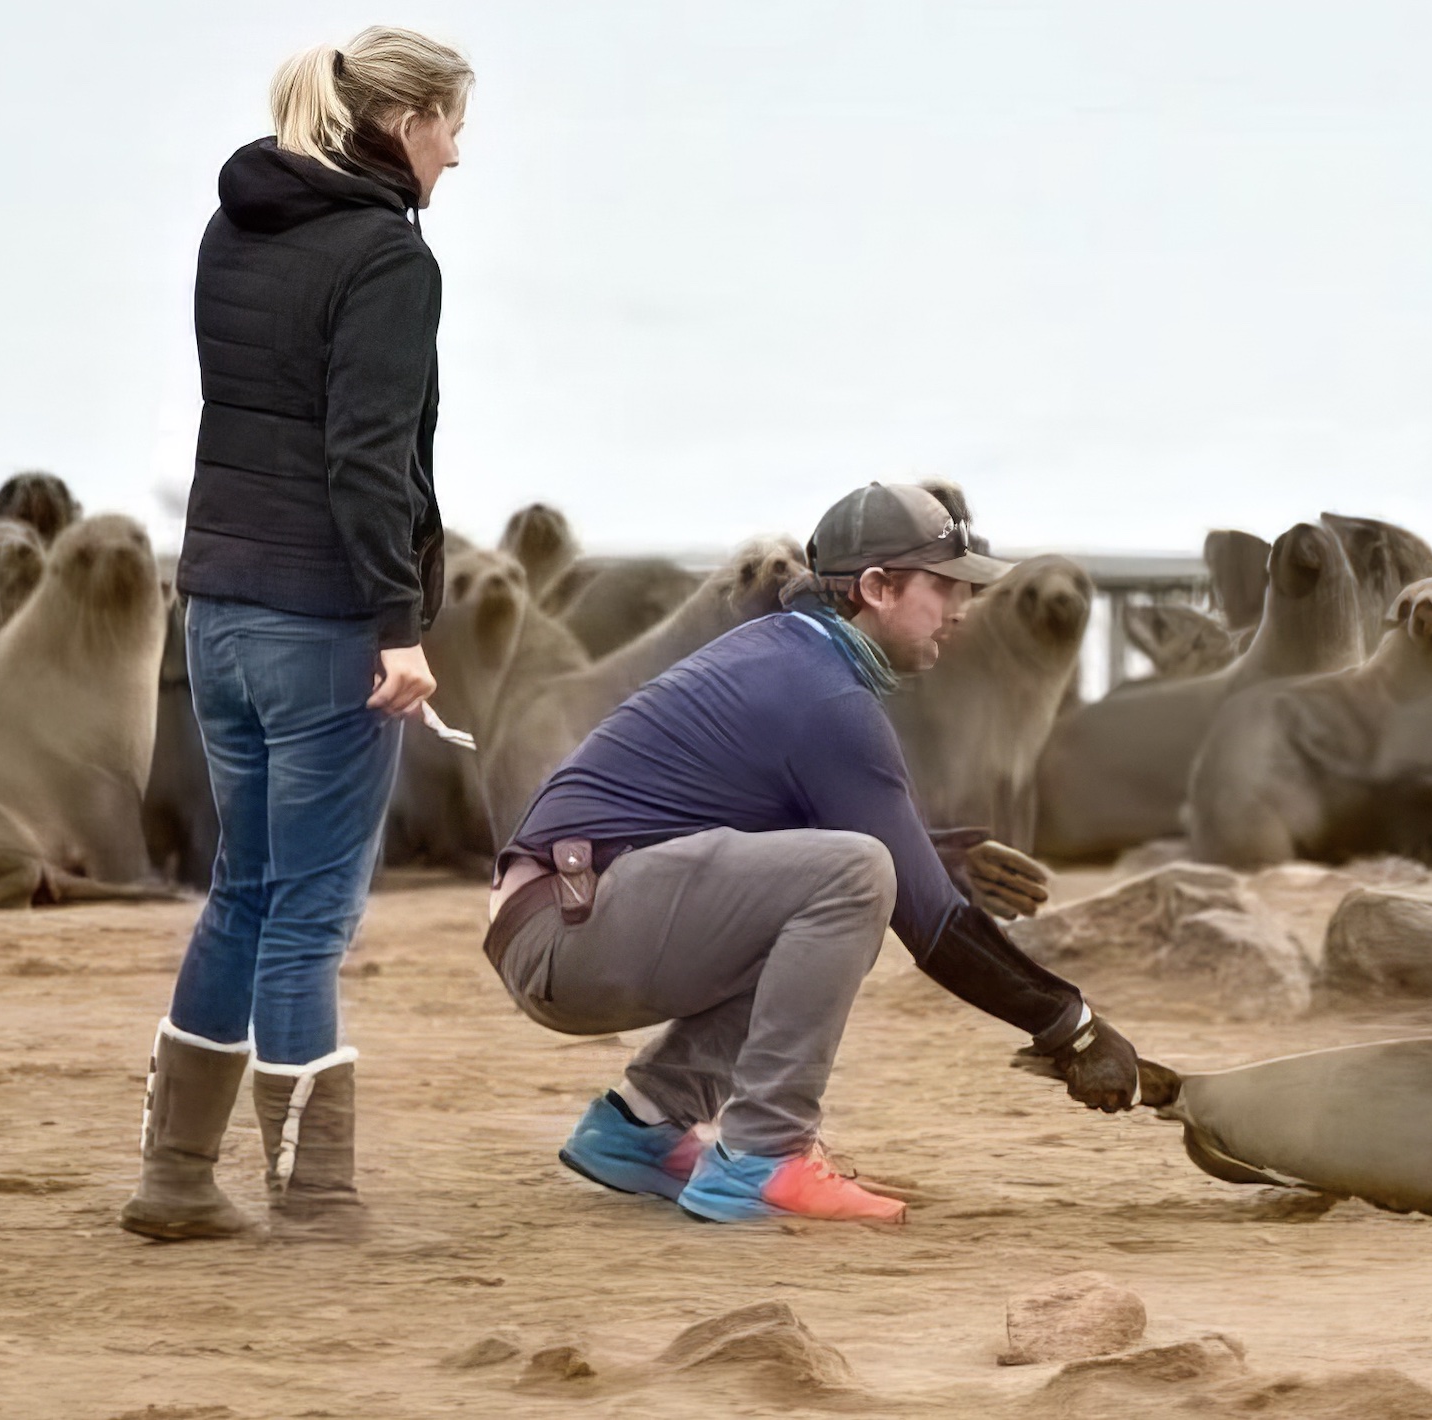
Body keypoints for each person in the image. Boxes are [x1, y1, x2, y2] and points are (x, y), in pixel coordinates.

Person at [486, 483, 1142, 1224]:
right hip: (568, 930)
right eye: (946, 586)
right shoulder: (824, 696)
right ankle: (765, 1154)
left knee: (841, 885)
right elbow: (930, 927)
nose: (963, 609)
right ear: (876, 588)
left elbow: (760, 840)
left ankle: (640, 1126)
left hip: (562, 916)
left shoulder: (792, 657)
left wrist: (930, 854)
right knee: (856, 878)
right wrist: (1071, 1025)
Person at [119, 27, 474, 1241]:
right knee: (309, 917)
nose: (458, 157)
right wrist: (401, 626)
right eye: (451, 128)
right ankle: (315, 1197)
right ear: (404, 122)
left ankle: (174, 1181)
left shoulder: (236, 228)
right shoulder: (387, 258)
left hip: (215, 605)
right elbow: (365, 458)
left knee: (245, 894)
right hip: (323, 622)